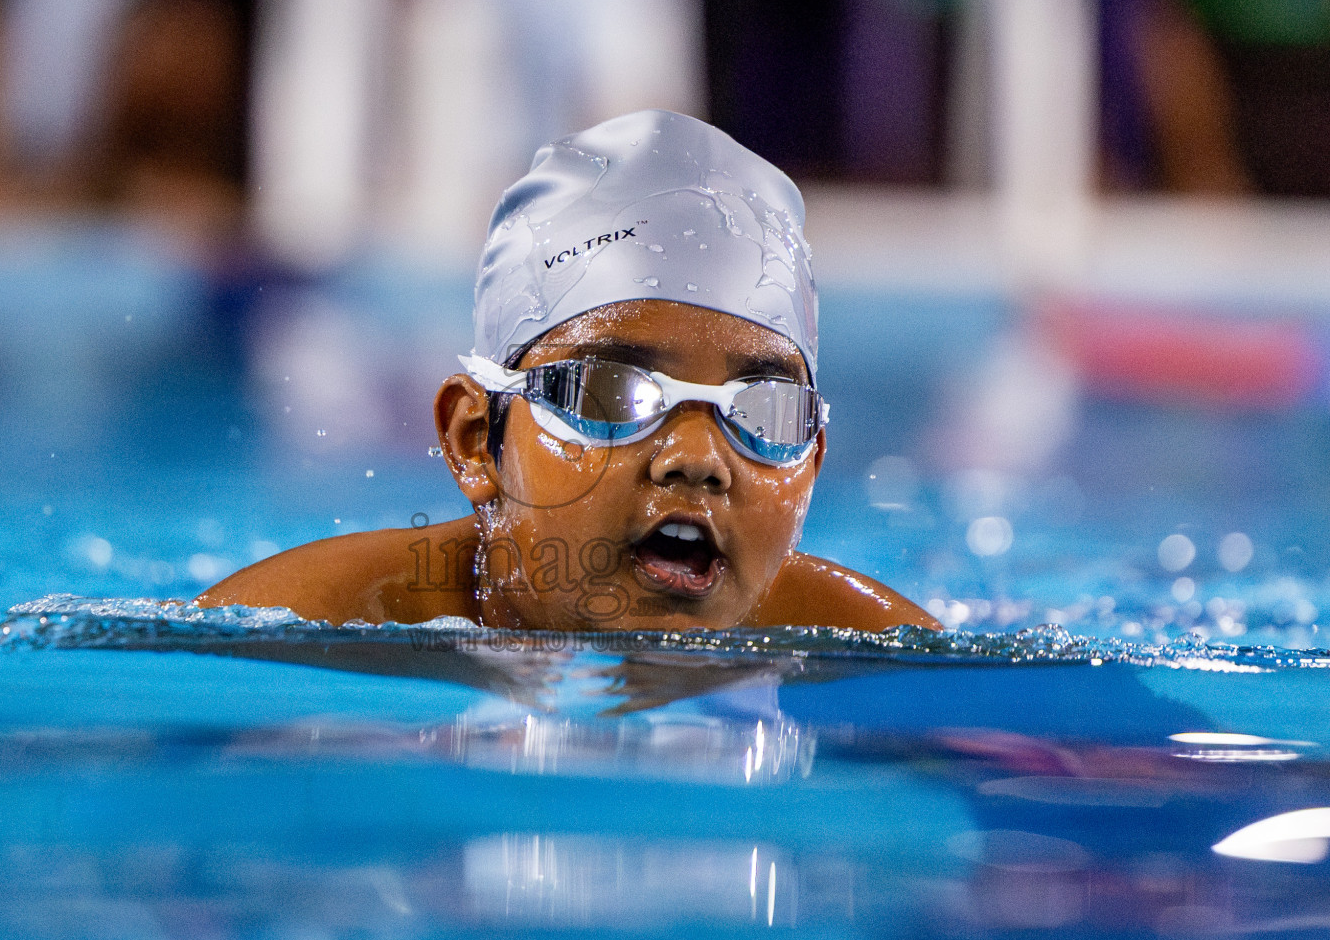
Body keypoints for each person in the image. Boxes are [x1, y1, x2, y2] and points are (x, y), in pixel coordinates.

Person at [200, 109, 939, 632]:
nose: (697, 460)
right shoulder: (300, 627)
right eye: (613, 392)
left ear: (813, 460)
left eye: (762, 412)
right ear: (473, 440)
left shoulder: (874, 650)